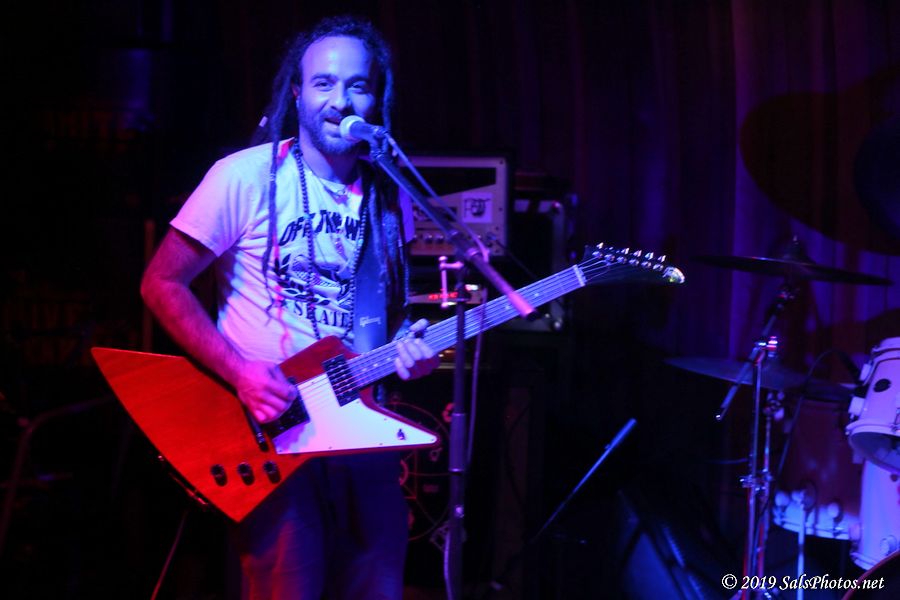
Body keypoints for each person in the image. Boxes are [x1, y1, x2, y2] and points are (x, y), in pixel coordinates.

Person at [140, 15, 438, 599]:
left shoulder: (389, 196)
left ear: (376, 99)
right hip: (273, 428)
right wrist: (239, 372)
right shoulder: (243, 177)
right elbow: (161, 284)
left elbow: (385, 318)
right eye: (323, 83)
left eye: (357, 85)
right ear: (297, 93)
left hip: (361, 427)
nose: (340, 101)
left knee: (379, 587)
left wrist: (412, 351)